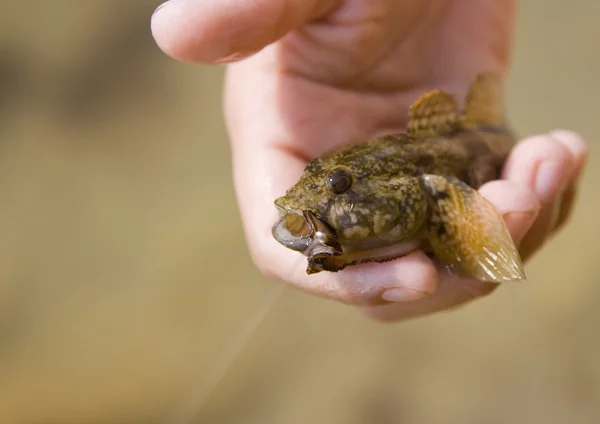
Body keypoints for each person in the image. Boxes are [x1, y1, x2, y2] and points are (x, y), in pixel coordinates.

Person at [151, 0, 588, 322]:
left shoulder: (434, 187)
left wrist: (478, 243)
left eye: (339, 186)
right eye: (315, 177)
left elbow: (480, 240)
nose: (311, 202)